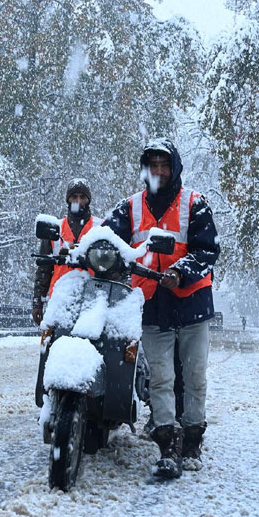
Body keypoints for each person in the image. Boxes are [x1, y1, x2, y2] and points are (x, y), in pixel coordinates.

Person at [103, 138, 219, 478]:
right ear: (145, 170)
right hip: (152, 303)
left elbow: (208, 249)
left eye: (164, 165)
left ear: (174, 169)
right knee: (161, 377)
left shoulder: (194, 204)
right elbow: (108, 237)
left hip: (191, 302)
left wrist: (180, 271)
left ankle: (193, 439)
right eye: (152, 165)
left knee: (194, 375)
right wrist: (94, 252)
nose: (158, 171)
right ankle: (168, 445)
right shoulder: (129, 207)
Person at [32, 178, 99, 325]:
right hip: (59, 300)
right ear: (68, 200)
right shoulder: (55, 228)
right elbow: (43, 269)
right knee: (51, 345)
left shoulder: (100, 228)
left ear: (88, 200)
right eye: (74, 197)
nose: (78, 201)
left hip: (92, 301)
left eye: (82, 197)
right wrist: (38, 302)